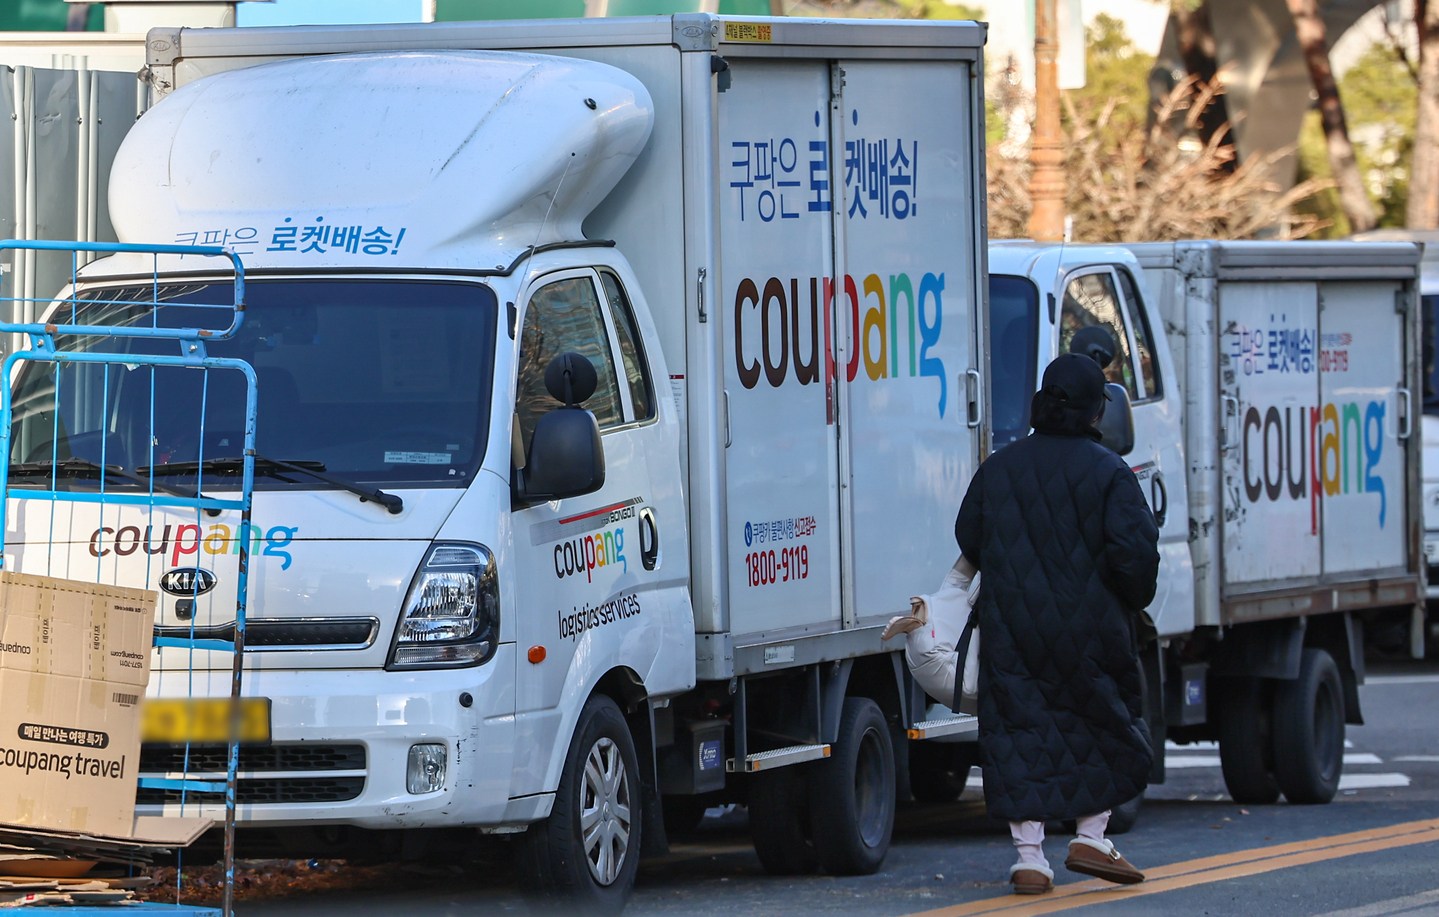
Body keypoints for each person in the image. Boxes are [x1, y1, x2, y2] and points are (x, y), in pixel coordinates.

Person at [954, 352, 1160, 895]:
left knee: (1021, 732)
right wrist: (1131, 598)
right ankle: (1092, 835)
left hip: (1014, 628)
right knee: (1103, 725)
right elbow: (1135, 560)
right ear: (1097, 412)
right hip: (1092, 631)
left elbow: (969, 538)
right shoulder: (1111, 473)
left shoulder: (1000, 467)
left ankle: (1029, 858)